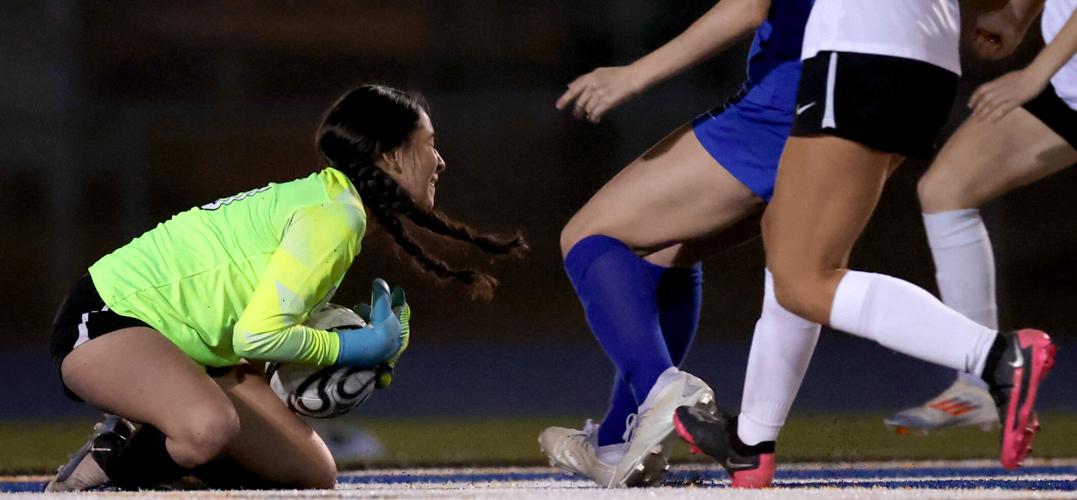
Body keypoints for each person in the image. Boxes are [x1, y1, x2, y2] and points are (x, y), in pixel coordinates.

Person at [46, 84, 527, 491]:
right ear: (392, 155)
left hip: (188, 346)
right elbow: (255, 337)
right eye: (430, 142)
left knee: (312, 474)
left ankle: (161, 444)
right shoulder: (335, 217)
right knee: (207, 429)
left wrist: (355, 351)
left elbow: (249, 333)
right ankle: (114, 455)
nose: (440, 160)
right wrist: (355, 345)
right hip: (109, 318)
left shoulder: (336, 205)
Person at [674, 0, 1059, 488]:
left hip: (863, 40)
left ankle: (997, 356)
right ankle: (751, 443)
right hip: (924, 54)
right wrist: (1016, 15)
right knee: (787, 232)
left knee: (805, 278)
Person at [538, 0, 816, 488]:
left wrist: (636, 74)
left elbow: (750, 6)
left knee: (586, 236)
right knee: (669, 246)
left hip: (783, 104)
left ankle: (662, 391)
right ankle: (616, 441)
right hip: (846, 114)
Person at [886, 0, 1077, 434]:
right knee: (946, 189)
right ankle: (981, 383)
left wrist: (1034, 73)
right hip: (1070, 87)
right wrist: (1017, 16)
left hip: (1058, 76)